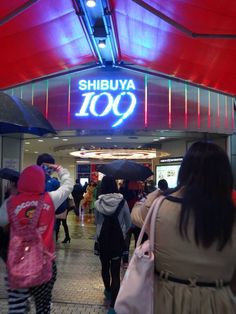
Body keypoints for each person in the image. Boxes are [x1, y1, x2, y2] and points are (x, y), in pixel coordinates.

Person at [131, 141, 236, 314]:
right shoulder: (231, 215)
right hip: (219, 302)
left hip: (166, 300)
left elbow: (137, 216)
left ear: (185, 171)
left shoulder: (160, 207)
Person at [0, 164, 73, 313]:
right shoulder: (50, 199)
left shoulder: (10, 203)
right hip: (44, 264)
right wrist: (60, 169)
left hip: (16, 265)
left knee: (17, 308)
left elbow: (1, 221)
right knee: (43, 307)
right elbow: (68, 185)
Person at [95, 176, 131, 314]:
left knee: (105, 267)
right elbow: (128, 223)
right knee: (115, 273)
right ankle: (112, 307)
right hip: (117, 241)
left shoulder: (98, 203)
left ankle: (108, 291)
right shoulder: (123, 202)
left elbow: (96, 223)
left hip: (102, 240)